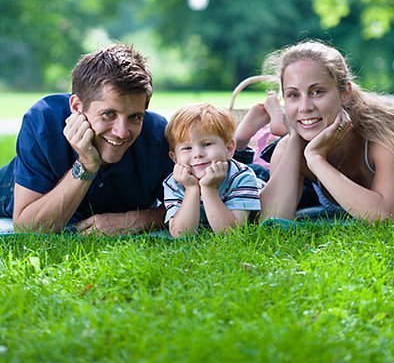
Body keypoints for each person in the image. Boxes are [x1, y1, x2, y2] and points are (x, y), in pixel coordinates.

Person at [0, 43, 173, 235]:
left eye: (135, 117)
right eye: (109, 114)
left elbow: (195, 204)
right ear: (76, 107)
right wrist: (85, 166)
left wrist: (137, 220)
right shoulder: (44, 121)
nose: (122, 132)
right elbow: (27, 229)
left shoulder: (158, 135)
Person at [259, 40, 394, 223]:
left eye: (317, 92)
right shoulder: (292, 147)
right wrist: (294, 140)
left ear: (345, 93)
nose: (305, 107)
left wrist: (316, 159)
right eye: (293, 95)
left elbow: (386, 217)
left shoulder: (382, 138)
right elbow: (272, 218)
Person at [163, 103, 261, 237]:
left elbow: (230, 233)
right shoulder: (174, 183)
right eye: (187, 148)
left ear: (229, 148)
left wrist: (209, 189)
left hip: (260, 181)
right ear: (174, 158)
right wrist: (191, 189)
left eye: (207, 144)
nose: (197, 154)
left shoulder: (241, 177)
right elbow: (181, 234)